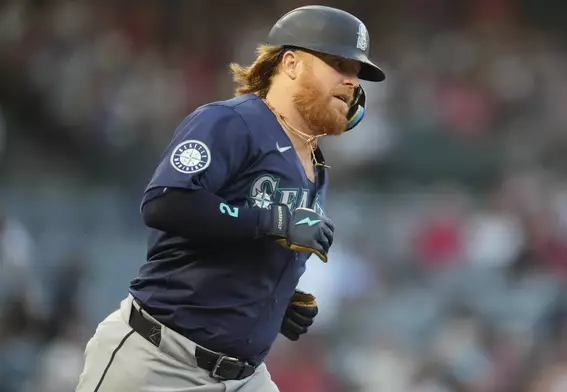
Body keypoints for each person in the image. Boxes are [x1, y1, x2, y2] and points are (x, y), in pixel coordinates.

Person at [75, 5, 385, 392]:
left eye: (357, 73)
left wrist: (275, 300)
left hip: (245, 377)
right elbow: (166, 202)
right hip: (159, 361)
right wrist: (272, 220)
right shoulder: (232, 122)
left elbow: (244, 241)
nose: (352, 81)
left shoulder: (316, 164)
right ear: (291, 63)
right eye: (339, 64)